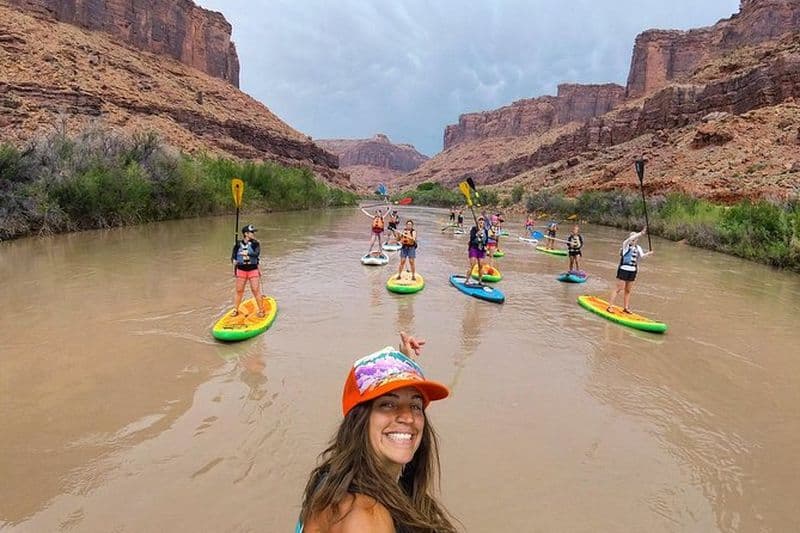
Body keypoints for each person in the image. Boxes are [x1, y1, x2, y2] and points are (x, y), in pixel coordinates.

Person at [297, 332, 457, 533]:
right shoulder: (365, 517)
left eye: (415, 405)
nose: (408, 417)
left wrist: (403, 361)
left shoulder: (333, 477)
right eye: (388, 404)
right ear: (360, 420)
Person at [607, 228, 654, 314]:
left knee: (628, 290)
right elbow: (629, 240)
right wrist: (641, 233)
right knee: (618, 288)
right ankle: (610, 306)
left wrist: (649, 254)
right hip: (623, 270)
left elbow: (642, 256)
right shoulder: (625, 245)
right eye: (632, 238)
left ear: (636, 240)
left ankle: (626, 307)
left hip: (633, 271)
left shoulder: (638, 247)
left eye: (635, 239)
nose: (633, 240)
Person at [230, 224, 266, 318]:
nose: (253, 234)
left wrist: (246, 252)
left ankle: (261, 310)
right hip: (241, 270)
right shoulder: (237, 244)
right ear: (246, 234)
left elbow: (256, 254)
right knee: (239, 290)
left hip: (253, 270)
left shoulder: (255, 244)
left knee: (255, 290)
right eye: (252, 232)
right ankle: (235, 309)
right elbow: (233, 256)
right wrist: (233, 260)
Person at [465, 216, 489, 285]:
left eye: (482, 220)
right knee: (472, 265)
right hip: (474, 248)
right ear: (477, 222)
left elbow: (486, 240)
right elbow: (472, 238)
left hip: (481, 250)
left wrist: (486, 247)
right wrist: (476, 234)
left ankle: (480, 281)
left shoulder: (486, 231)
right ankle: (467, 280)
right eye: (480, 220)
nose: (481, 221)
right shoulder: (474, 229)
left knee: (481, 265)